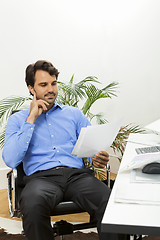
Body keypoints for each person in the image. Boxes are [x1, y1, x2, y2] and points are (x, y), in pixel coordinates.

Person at [2, 60, 118, 240]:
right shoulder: (18, 120)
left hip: (76, 176)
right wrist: (31, 119)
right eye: (43, 85)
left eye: (53, 83)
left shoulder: (73, 114)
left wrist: (97, 156)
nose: (51, 89)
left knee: (108, 201)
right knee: (33, 206)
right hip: (41, 180)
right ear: (31, 88)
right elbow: (10, 159)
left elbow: (93, 146)